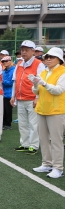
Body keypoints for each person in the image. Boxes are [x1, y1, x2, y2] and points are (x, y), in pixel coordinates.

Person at [31, 48, 65, 179]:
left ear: (59, 59)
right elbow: (36, 91)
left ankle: (58, 168)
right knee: (43, 139)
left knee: (56, 141)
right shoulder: (44, 71)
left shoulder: (63, 72)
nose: (48, 59)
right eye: (47, 57)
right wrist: (35, 84)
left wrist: (43, 83)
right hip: (42, 109)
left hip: (56, 111)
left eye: (52, 57)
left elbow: (59, 90)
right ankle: (47, 163)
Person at [11, 40, 44, 155]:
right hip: (20, 98)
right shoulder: (19, 64)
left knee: (33, 124)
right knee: (23, 123)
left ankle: (34, 146)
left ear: (33, 51)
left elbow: (40, 82)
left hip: (31, 98)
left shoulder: (38, 64)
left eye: (27, 50)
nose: (24, 52)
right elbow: (15, 81)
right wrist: (13, 96)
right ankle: (24, 144)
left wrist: (37, 97)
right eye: (22, 50)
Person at [1, 56, 15, 130]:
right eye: (3, 61)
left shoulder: (13, 70)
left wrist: (1, 81)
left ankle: (8, 124)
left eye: (6, 61)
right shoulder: (3, 71)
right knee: (3, 109)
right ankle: (3, 123)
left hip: (10, 93)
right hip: (3, 93)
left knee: (8, 109)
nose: (4, 62)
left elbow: (11, 83)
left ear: (10, 61)